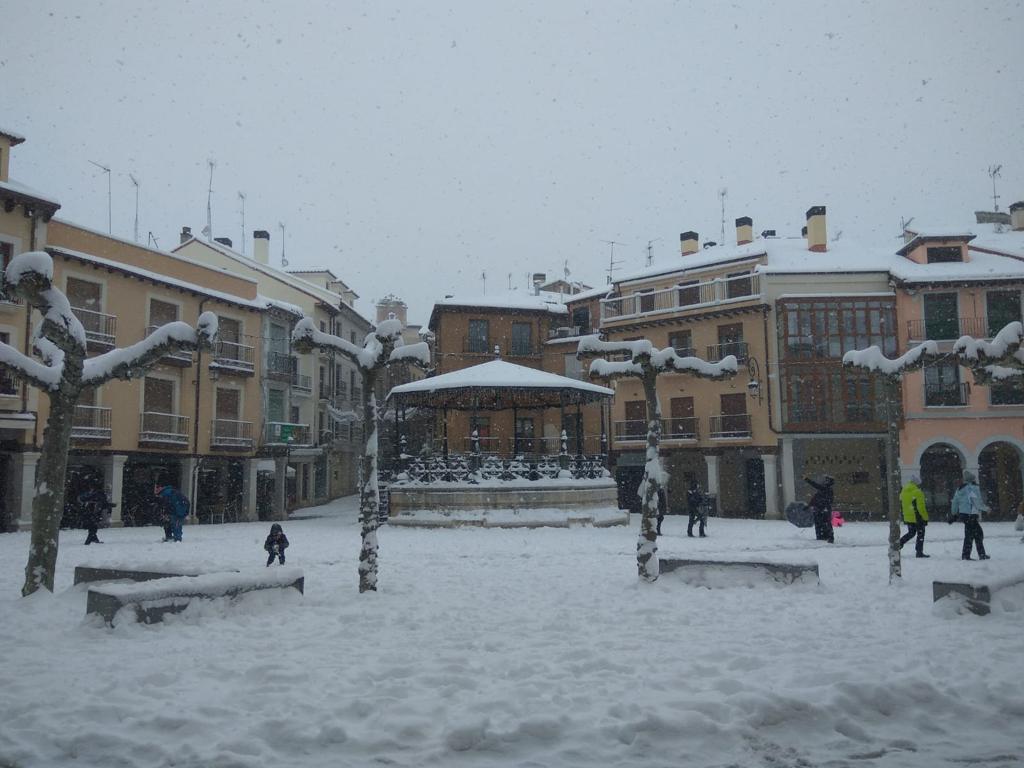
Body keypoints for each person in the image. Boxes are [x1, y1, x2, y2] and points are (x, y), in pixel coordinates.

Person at [950, 471, 989, 560]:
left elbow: (955, 503)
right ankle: (971, 555)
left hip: (964, 515)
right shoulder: (973, 488)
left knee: (972, 534)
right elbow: (977, 502)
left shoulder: (960, 489)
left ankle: (975, 554)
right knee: (976, 534)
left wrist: (954, 513)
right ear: (972, 479)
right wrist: (986, 509)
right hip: (971, 514)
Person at [898, 476, 930, 558]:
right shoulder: (917, 492)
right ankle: (919, 552)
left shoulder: (903, 491)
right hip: (917, 517)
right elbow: (921, 507)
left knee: (911, 533)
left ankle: (899, 543)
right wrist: (925, 517)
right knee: (921, 534)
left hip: (908, 517)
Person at [805, 475, 835, 543]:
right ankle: (821, 537)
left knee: (826, 523)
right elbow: (814, 499)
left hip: (824, 509)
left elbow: (815, 485)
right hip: (819, 509)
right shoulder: (821, 490)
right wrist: (808, 506)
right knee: (819, 523)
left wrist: (806, 479)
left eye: (826, 480)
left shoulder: (827, 489)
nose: (824, 481)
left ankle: (829, 537)